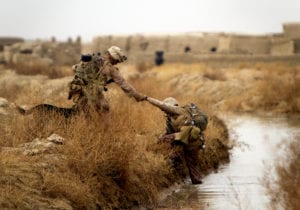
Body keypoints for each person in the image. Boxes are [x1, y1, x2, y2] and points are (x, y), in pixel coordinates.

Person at [145, 96, 208, 184]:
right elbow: (170, 132)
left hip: (190, 141)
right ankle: (197, 181)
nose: (164, 111)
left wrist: (147, 98)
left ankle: (194, 179)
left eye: (166, 108)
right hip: (191, 141)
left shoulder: (178, 111)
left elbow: (161, 105)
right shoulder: (172, 117)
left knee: (164, 139)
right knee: (193, 165)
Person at [68, 46, 146, 113]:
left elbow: (74, 68)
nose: (117, 62)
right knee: (105, 108)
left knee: (82, 111)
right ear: (113, 57)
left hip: (76, 88)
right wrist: (137, 96)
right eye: (117, 60)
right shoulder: (109, 67)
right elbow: (123, 83)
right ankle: (104, 128)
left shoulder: (94, 58)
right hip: (91, 91)